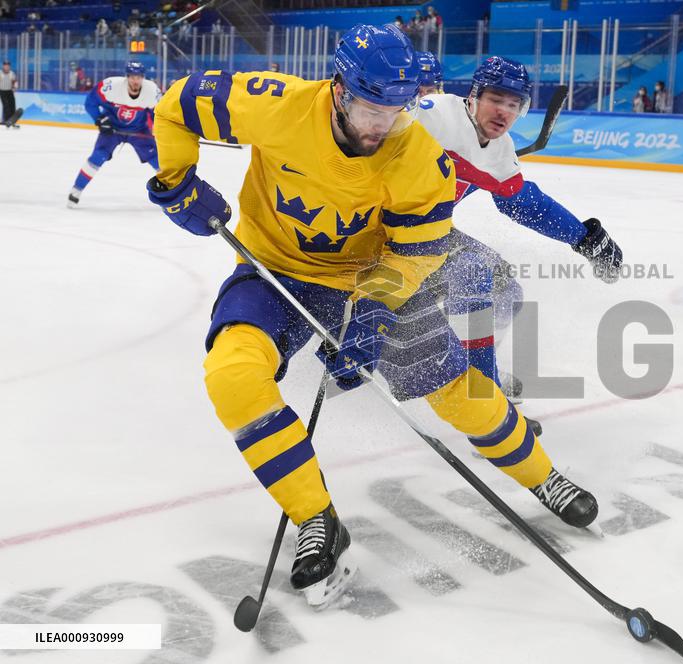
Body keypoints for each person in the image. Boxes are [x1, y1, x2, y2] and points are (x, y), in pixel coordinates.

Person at [146, 24, 599, 610]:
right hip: (273, 271)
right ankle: (317, 518)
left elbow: (422, 250)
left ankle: (544, 476)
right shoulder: (273, 105)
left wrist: (373, 309)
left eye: (395, 109)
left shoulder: (418, 159)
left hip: (365, 282)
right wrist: (176, 180)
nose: (381, 125)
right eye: (369, 108)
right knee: (231, 374)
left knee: (459, 393)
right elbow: (176, 106)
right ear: (338, 88)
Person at [412, 55, 623, 401]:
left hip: (428, 233)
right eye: (496, 100)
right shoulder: (432, 113)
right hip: (377, 231)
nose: (503, 112)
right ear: (474, 95)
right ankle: (481, 398)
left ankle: (471, 366)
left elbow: (521, 202)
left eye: (514, 104)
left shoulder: (499, 150)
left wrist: (584, 238)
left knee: (506, 293)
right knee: (472, 270)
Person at [68, 61, 160, 207]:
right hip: (113, 129)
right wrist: (99, 119)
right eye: (132, 77)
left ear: (143, 77)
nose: (135, 81)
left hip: (139, 131)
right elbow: (90, 102)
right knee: (98, 156)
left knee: (158, 160)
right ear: (127, 77)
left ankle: (173, 196)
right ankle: (76, 190)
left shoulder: (152, 91)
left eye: (139, 77)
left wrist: (162, 131)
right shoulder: (110, 86)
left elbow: (159, 114)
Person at [0, 60, 17, 126]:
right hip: (2, 91)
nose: (6, 67)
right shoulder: (0, 73)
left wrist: (15, 87)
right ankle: (6, 120)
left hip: (9, 91)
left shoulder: (12, 73)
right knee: (6, 105)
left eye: (8, 66)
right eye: (5, 65)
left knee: (12, 104)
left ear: (9, 66)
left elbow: (14, 81)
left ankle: (12, 120)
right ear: (3, 66)